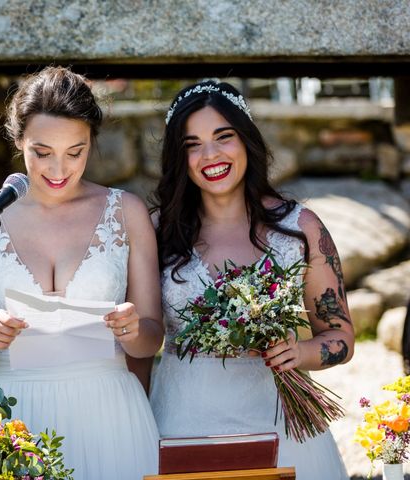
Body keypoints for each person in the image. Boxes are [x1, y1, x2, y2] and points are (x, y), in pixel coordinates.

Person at [0, 66, 163, 480]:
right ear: (19, 139)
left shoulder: (127, 212)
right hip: (12, 418)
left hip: (110, 414)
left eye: (74, 153)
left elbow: (152, 339)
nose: (58, 170)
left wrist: (133, 329)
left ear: (91, 143)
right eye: (42, 152)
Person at [148, 80, 354, 479]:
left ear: (246, 141)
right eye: (193, 144)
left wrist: (302, 352)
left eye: (223, 137)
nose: (211, 155)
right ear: (180, 156)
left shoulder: (301, 228)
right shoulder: (157, 231)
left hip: (279, 419)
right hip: (182, 419)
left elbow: (341, 337)